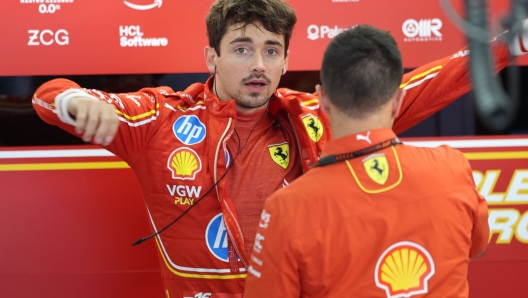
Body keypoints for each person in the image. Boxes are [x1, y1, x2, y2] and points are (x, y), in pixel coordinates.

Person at [31, 0, 517, 296]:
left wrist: (503, 46)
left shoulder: (313, 115)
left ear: (286, 60)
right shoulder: (160, 118)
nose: (258, 64)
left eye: (271, 50)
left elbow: (415, 89)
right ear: (211, 57)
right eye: (242, 48)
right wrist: (72, 99)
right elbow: (50, 96)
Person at [243, 25, 490, 298]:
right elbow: (477, 245)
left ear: (322, 100)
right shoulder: (452, 167)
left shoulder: (286, 208)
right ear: (398, 101)